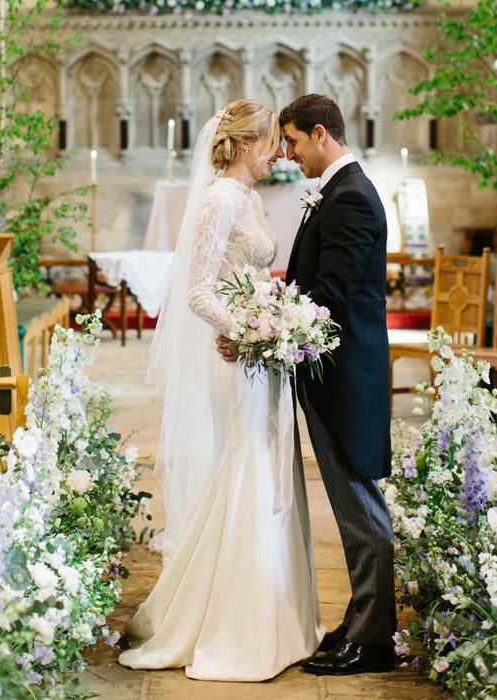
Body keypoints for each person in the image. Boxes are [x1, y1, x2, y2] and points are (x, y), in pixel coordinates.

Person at [118, 99, 324, 681]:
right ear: (241, 144)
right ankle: (236, 625)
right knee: (248, 466)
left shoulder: (251, 199)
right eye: (268, 145)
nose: (278, 155)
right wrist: (252, 331)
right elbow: (197, 292)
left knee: (268, 466)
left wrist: (275, 314)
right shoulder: (215, 201)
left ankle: (279, 617)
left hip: (260, 352)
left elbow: (254, 274)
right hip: (235, 356)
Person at [280, 94, 396, 675]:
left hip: (345, 375)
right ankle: (360, 621)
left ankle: (373, 642)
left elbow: (332, 295)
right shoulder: (341, 190)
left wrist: (270, 323)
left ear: (320, 133)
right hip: (336, 372)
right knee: (353, 505)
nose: (288, 154)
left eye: (294, 142)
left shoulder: (349, 197)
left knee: (360, 507)